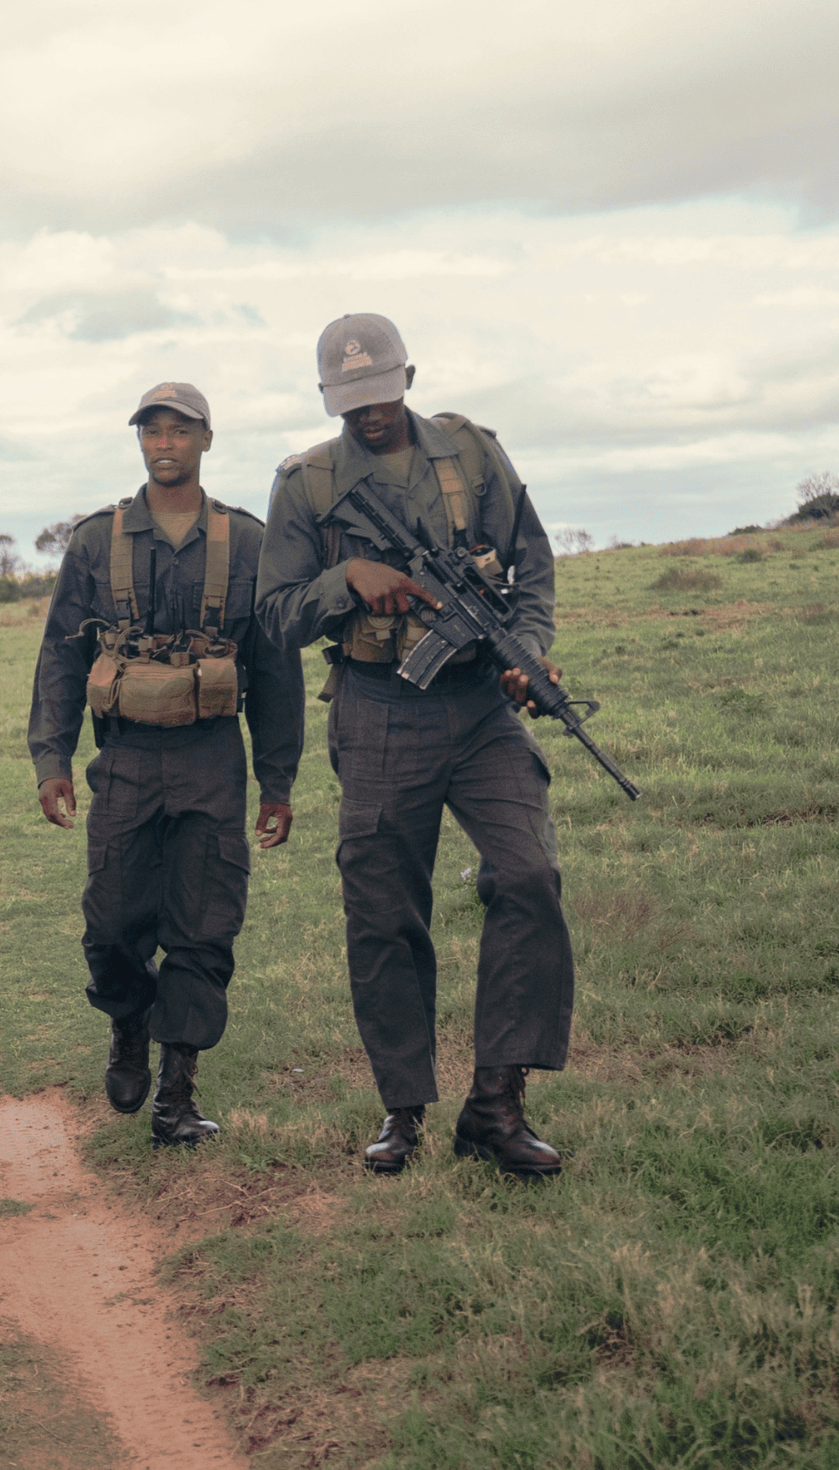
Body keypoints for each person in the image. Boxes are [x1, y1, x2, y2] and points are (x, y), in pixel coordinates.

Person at [257, 313, 569, 1179]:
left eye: (380, 394)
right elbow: (272, 614)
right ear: (329, 399)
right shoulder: (307, 484)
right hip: (376, 708)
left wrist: (527, 651)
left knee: (530, 876)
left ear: (408, 376)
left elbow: (532, 562)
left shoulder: (470, 454)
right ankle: (403, 1107)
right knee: (384, 910)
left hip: (477, 708)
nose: (368, 413)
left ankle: (496, 1103)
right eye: (349, 400)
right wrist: (343, 580)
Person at [30, 383, 303, 1146]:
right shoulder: (96, 541)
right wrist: (51, 756)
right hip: (124, 760)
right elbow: (59, 654)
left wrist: (276, 778)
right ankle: (128, 1020)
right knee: (112, 921)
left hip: (212, 759)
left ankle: (177, 1088)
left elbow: (276, 669)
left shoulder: (246, 542)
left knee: (203, 925)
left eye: (179, 429)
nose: (164, 441)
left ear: (205, 440)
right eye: (151, 429)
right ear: (139, 441)